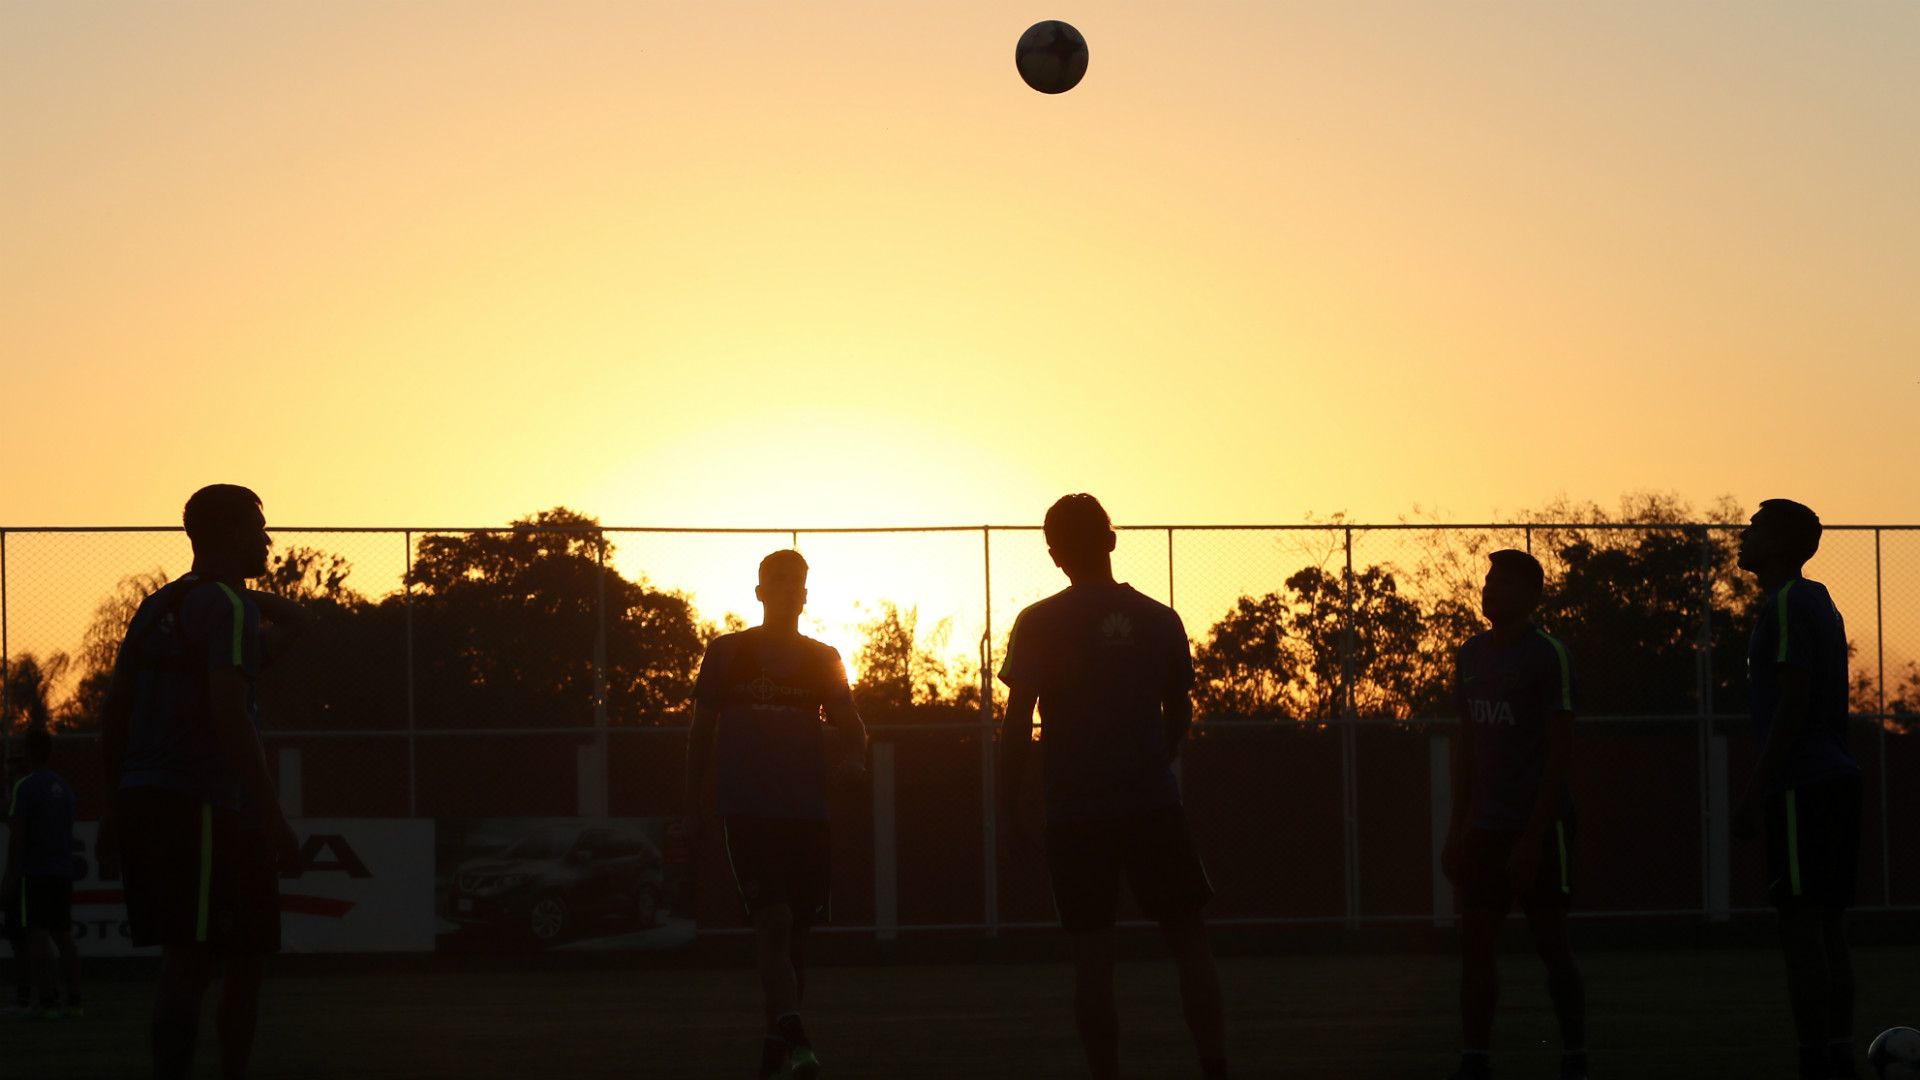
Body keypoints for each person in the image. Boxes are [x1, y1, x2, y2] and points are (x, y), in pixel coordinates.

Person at [998, 494, 1227, 1080]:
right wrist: (1156, 759)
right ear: (1111, 539)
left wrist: (1008, 804)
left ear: (1054, 555)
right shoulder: (1159, 619)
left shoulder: (1038, 622)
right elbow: (1180, 708)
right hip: (1152, 805)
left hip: (1075, 812)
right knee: (1189, 942)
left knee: (1093, 959)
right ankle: (1214, 1066)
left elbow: (1017, 721)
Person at [97, 484, 307, 1079]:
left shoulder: (158, 607)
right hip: (207, 801)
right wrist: (273, 818)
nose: (268, 541)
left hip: (151, 797)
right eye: (259, 529)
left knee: (198, 954)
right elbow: (230, 714)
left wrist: (113, 806)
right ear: (234, 534)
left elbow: (115, 710)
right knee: (221, 959)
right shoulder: (228, 608)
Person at [683, 549, 867, 1080]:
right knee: (774, 922)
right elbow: (700, 733)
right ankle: (800, 1040)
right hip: (747, 812)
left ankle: (776, 1049)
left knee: (797, 941)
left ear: (806, 596)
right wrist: (691, 806)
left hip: (806, 815)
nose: (787, 590)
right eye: (777, 581)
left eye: (796, 583)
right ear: (760, 592)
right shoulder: (727, 653)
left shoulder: (824, 658)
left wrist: (856, 757)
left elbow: (852, 724)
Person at [1441, 549, 1586, 1080]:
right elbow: (1467, 744)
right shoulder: (1470, 654)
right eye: (1488, 581)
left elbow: (1560, 752)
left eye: (1503, 583)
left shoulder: (1548, 656)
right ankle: (1474, 1058)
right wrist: (1457, 826)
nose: (1489, 590)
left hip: (1539, 829)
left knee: (1551, 943)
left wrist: (1534, 836)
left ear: (1531, 595)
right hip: (1485, 829)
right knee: (1475, 944)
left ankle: (1574, 1055)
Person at [1733, 499, 1862, 1080]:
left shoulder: (1786, 603)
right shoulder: (1820, 600)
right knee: (1828, 923)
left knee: (1802, 925)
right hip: (1834, 777)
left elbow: (1794, 700)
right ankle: (1837, 1049)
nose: (1744, 534)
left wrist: (1757, 786)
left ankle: (1816, 1057)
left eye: (1755, 527)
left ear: (1781, 544)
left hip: (1802, 783)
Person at [4, 728, 83, 1018]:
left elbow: (18, 834)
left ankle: (46, 1001)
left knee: (37, 936)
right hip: (61, 870)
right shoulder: (63, 787)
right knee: (63, 936)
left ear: (28, 751)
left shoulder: (24, 788)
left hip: (36, 871)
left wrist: (12, 876)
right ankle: (74, 1001)